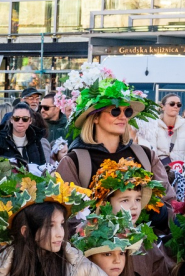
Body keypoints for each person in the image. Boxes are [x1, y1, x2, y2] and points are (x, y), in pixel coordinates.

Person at [54, 65, 168, 196]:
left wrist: (160, 213)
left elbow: (168, 200)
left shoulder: (146, 155)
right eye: (115, 111)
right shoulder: (74, 161)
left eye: (128, 111)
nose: (123, 116)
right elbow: (65, 210)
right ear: (95, 117)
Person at [136, 93, 185, 166]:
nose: (175, 106)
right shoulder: (153, 125)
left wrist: (184, 171)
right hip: (160, 169)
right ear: (162, 106)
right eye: (172, 104)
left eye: (179, 104)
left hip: (180, 172)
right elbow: (152, 152)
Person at [0, 103, 51, 168]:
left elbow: (43, 167)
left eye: (25, 119)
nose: (20, 121)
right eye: (16, 118)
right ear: (11, 120)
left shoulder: (35, 140)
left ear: (30, 121)